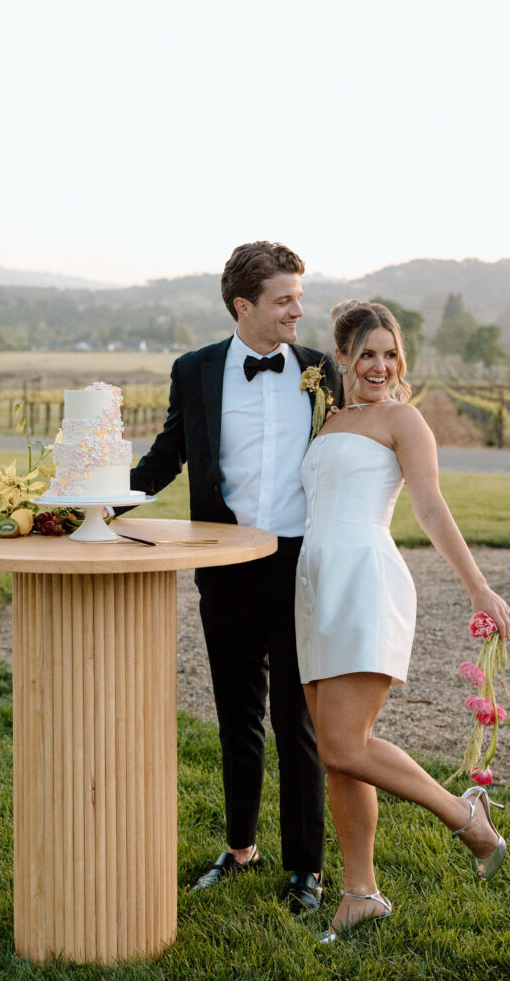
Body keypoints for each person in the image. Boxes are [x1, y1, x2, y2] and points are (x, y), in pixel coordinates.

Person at [129, 241, 339, 913]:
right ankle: (240, 848)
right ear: (243, 305)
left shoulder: (319, 372)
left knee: (295, 721)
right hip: (223, 565)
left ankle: (306, 869)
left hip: (298, 563)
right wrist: (99, 499)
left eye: (298, 298)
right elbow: (168, 453)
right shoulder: (193, 370)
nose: (297, 311)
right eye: (284, 300)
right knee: (235, 716)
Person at [295, 299, 509, 942]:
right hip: (315, 586)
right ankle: (361, 894)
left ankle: (466, 817)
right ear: (341, 358)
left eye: (390, 353)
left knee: (343, 743)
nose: (381, 365)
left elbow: (431, 507)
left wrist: (479, 589)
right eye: (367, 353)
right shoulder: (328, 419)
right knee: (339, 759)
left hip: (365, 579)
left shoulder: (404, 420)